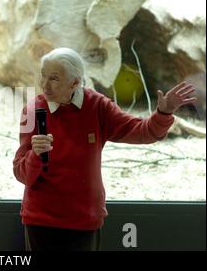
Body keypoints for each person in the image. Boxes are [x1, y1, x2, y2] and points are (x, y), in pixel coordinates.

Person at [13, 47, 197, 251]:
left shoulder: (97, 107)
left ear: (75, 82)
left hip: (83, 219)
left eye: (54, 79)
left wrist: (163, 113)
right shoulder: (31, 111)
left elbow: (142, 132)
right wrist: (34, 155)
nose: (44, 85)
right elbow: (22, 174)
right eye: (43, 76)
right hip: (41, 220)